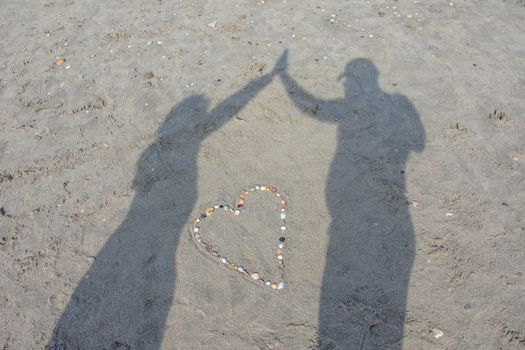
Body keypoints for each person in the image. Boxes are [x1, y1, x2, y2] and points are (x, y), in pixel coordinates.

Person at [47, 53, 287, 350]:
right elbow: (220, 114)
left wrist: (265, 79)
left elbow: (219, 114)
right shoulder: (167, 151)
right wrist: (267, 78)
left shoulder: (151, 156)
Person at [279, 54, 425, 349]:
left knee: (343, 244)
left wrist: (285, 79)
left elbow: (313, 108)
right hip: (379, 196)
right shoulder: (397, 103)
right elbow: (419, 143)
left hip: (350, 198)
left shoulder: (348, 107)